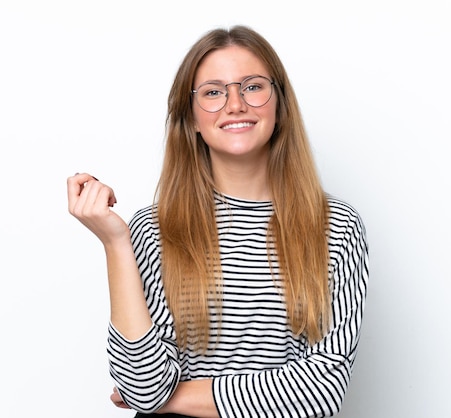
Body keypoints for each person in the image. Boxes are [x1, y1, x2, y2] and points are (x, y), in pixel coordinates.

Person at [67, 25, 369, 418]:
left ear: (279, 105)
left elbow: (321, 391)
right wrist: (115, 243)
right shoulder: (151, 229)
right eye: (213, 92)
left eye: (253, 87)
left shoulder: (336, 227)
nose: (235, 104)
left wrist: (171, 398)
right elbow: (143, 387)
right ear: (190, 118)